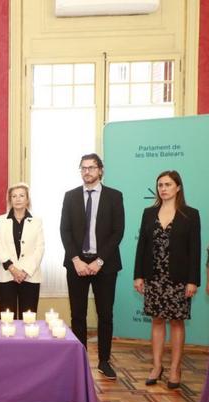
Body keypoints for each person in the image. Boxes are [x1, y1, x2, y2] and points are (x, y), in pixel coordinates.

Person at [59, 153, 125, 380]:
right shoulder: (70, 196)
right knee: (78, 314)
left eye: (92, 167)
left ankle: (104, 361)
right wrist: (76, 260)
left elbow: (118, 232)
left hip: (104, 265)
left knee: (105, 314)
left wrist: (99, 261)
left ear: (101, 170)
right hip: (76, 263)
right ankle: (80, 360)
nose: (87, 171)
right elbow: (64, 231)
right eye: (83, 168)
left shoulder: (115, 196)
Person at [133, 171, 200, 389]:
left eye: (168, 184)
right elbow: (141, 246)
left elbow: (195, 250)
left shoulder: (190, 214)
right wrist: (138, 275)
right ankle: (156, 366)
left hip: (179, 279)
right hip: (153, 277)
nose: (163, 188)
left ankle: (175, 369)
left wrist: (193, 281)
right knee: (157, 320)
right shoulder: (148, 212)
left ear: (178, 187)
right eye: (160, 185)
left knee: (177, 322)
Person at [0, 183, 44, 315]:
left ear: (27, 199)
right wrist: (13, 269)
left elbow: (40, 248)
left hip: (30, 276)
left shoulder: (37, 221)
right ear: (10, 200)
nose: (18, 199)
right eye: (14, 196)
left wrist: (24, 271)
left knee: (28, 318)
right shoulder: (1, 220)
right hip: (6, 275)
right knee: (7, 319)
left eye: (21, 195)